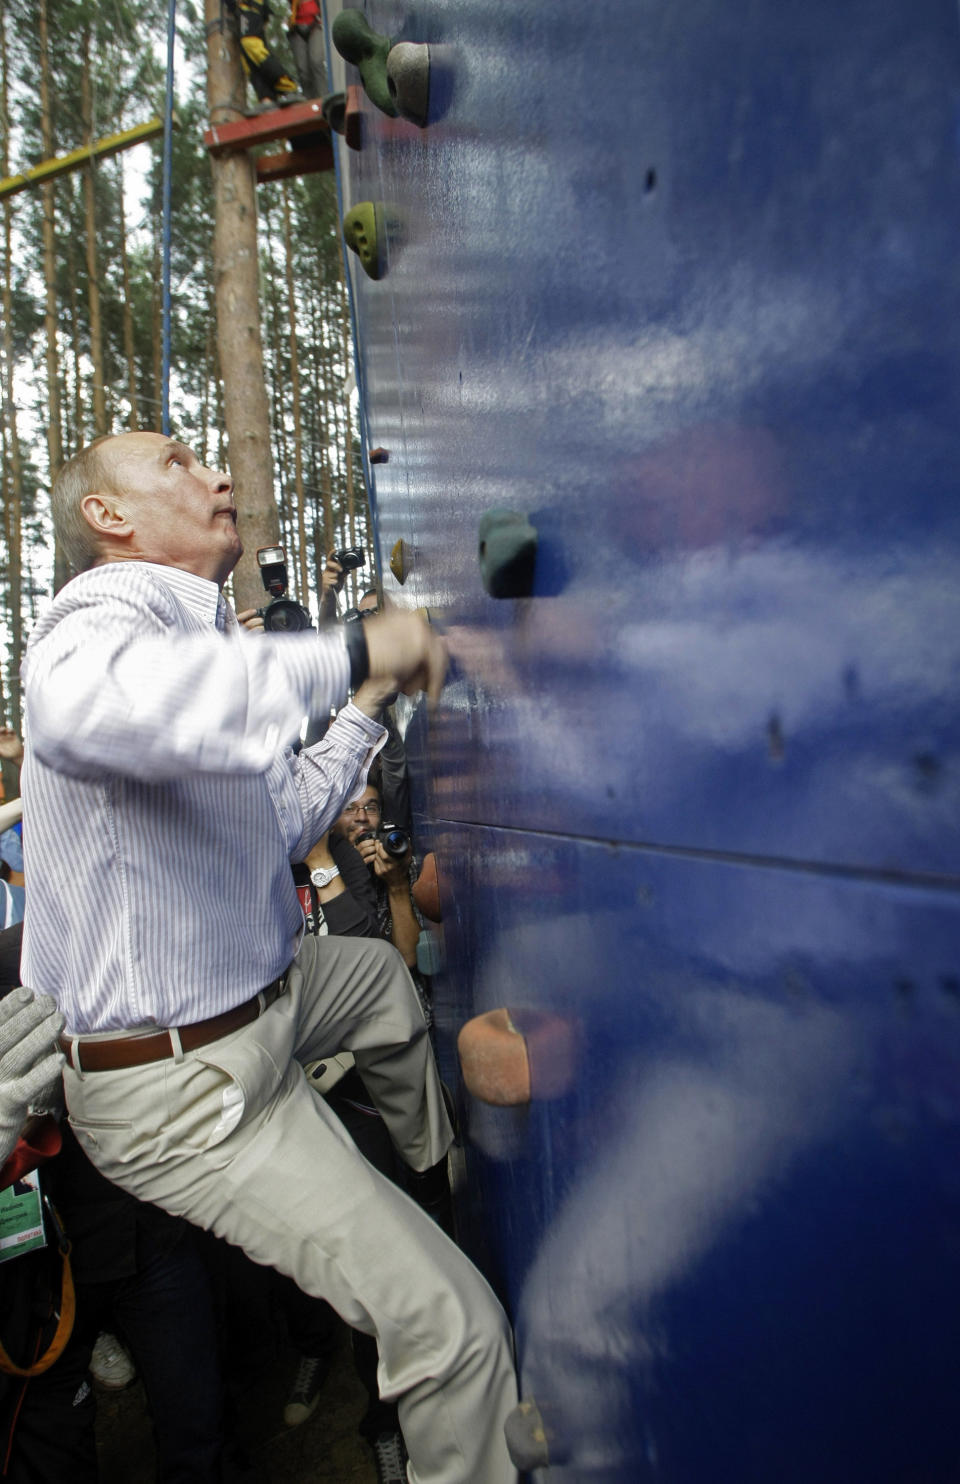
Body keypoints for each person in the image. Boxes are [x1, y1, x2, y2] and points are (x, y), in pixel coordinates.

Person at [20, 431, 518, 1484]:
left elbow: (282, 810)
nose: (217, 474)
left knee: (380, 978)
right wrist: (359, 645)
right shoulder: (99, 619)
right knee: (457, 1330)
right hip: (184, 1088)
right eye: (177, 461)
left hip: (271, 1003)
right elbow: (95, 704)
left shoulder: (200, 648)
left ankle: (433, 1178)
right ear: (109, 518)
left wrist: (368, 704)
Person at [287, 0, 328, 100]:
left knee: (317, 61)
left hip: (314, 23)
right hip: (297, 27)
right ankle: (310, 102)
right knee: (303, 70)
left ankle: (325, 98)